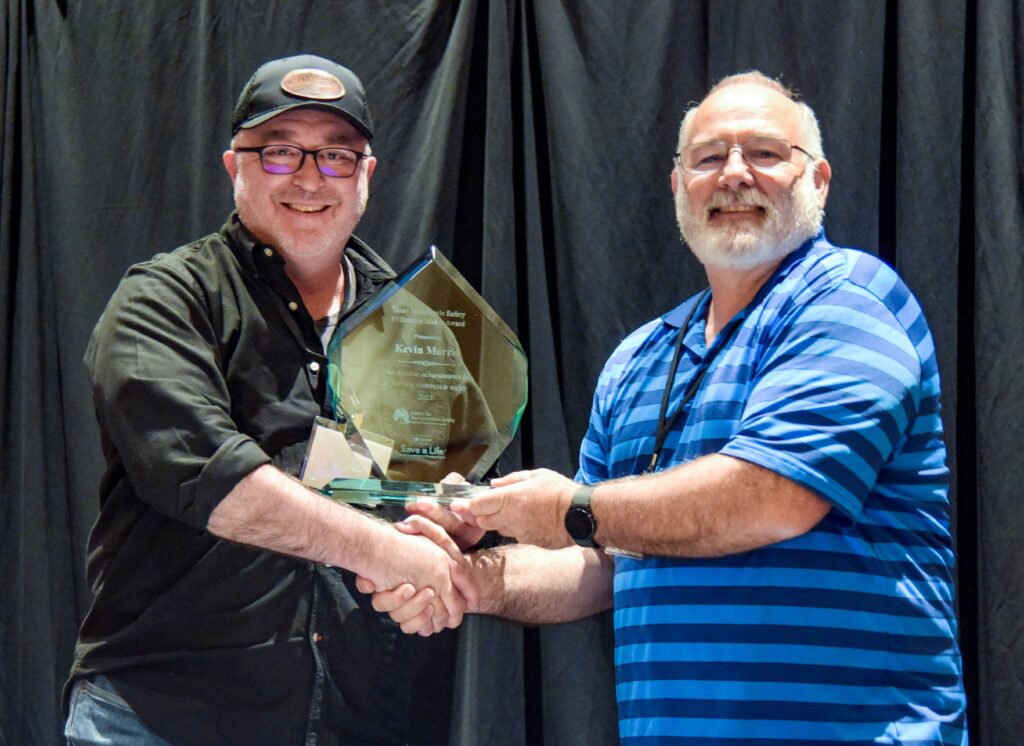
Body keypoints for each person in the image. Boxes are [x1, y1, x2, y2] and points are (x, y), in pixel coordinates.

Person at [366, 72, 969, 744]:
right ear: (678, 186)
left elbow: (771, 497)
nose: (734, 174)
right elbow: (601, 561)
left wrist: (568, 509)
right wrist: (469, 579)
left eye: (765, 153)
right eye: (709, 158)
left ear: (819, 181)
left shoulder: (850, 302)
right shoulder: (637, 359)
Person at [64, 54, 469, 745]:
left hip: (351, 722)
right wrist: (395, 558)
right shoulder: (165, 302)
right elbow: (218, 483)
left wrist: (444, 530)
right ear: (235, 167)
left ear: (367, 174)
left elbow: (426, 490)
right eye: (281, 153)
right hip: (159, 720)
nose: (311, 178)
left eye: (337, 157)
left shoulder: (418, 330)